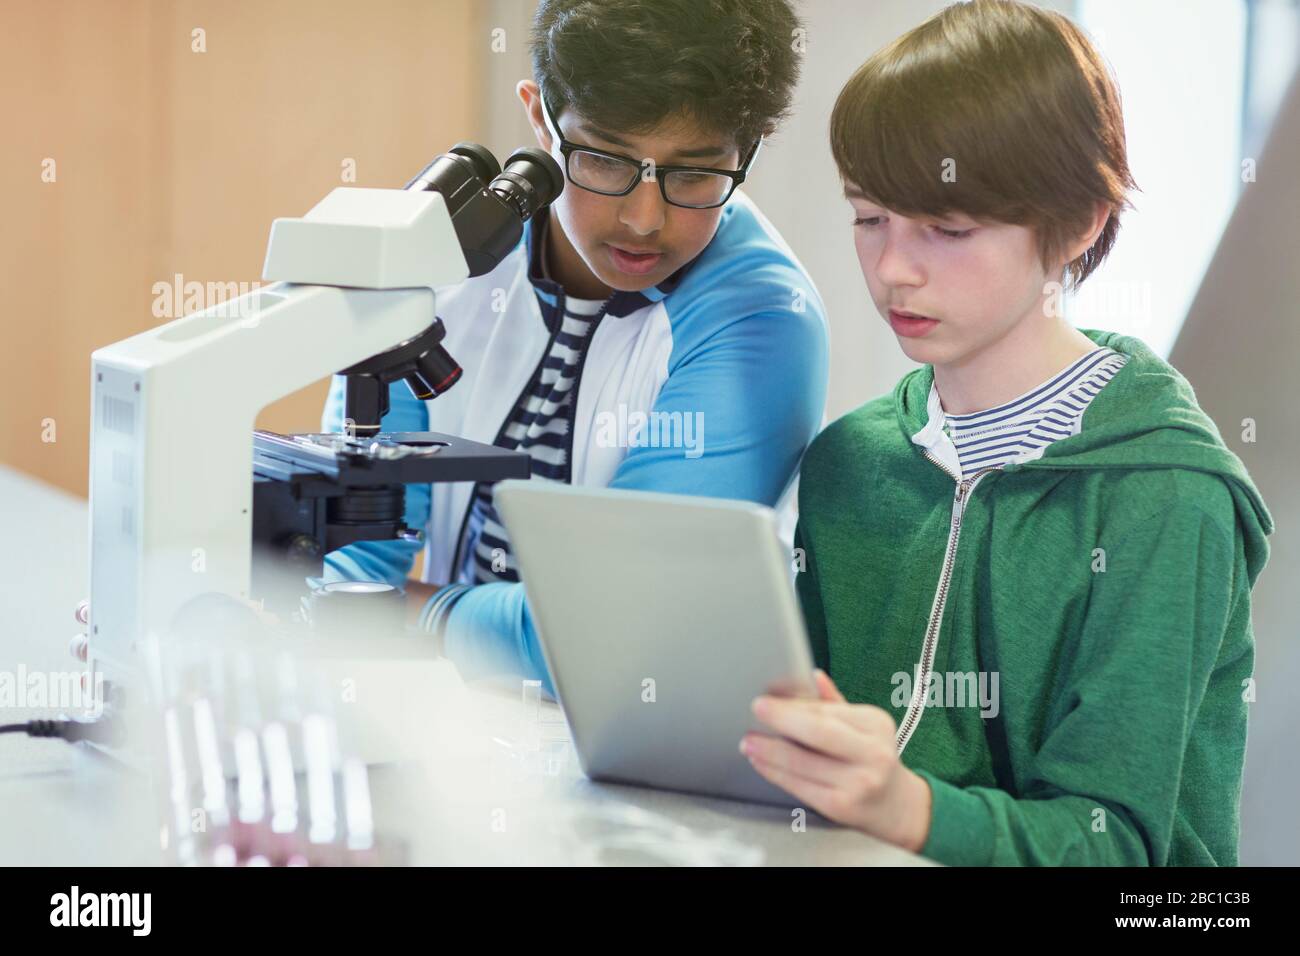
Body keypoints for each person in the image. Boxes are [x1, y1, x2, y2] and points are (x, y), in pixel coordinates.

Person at [742, 0, 1272, 865]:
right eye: (869, 219)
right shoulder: (851, 462)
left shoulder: (1164, 499)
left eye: (948, 230)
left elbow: (1121, 848)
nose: (893, 269)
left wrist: (910, 809)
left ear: (1081, 225)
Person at [318, 0, 828, 694]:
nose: (643, 218)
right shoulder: (439, 253)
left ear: (755, 146)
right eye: (605, 159)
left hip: (641, 740)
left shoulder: (763, 318)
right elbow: (350, 555)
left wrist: (415, 618)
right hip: (450, 711)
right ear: (539, 115)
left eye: (694, 173)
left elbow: (618, 631)